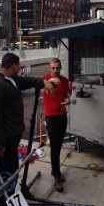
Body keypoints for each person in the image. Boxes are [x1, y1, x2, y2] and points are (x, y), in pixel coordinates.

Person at [0, 53, 57, 206]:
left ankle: (4, 199)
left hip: (12, 138)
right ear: (13, 66)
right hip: (5, 141)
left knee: (9, 172)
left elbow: (27, 81)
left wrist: (43, 82)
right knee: (7, 174)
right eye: (19, 66)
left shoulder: (10, 80)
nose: (20, 69)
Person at [41, 58, 70, 192]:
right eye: (53, 68)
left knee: (59, 145)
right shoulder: (45, 79)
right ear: (49, 68)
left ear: (60, 67)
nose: (55, 70)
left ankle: (55, 171)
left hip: (62, 115)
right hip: (51, 116)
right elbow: (40, 91)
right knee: (54, 147)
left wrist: (68, 98)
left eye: (57, 68)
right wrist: (49, 83)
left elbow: (67, 93)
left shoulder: (64, 80)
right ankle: (56, 175)